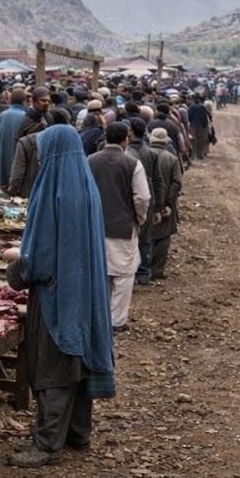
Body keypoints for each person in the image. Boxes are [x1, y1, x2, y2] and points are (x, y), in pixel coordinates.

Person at [2, 125, 114, 468]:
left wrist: (15, 271)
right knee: (79, 357)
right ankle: (78, 432)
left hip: (56, 293)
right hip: (86, 289)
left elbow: (39, 255)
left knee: (53, 363)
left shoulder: (51, 189)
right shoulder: (85, 185)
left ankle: (47, 444)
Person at [88, 123, 150, 330]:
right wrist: (139, 218)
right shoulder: (132, 164)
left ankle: (100, 317)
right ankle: (117, 321)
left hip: (95, 227)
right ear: (125, 140)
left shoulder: (90, 161)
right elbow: (142, 197)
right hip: (123, 227)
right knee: (123, 275)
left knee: (101, 272)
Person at [126, 122, 163, 285]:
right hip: (148, 199)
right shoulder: (150, 153)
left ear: (132, 132)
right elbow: (158, 181)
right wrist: (159, 206)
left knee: (130, 237)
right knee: (145, 239)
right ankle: (143, 273)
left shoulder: (127, 153)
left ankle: (133, 272)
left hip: (129, 200)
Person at [147, 128, 182, 280]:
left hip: (147, 203)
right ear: (166, 141)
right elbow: (177, 182)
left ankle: (144, 268)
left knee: (146, 235)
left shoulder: (144, 156)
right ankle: (157, 270)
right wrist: (168, 203)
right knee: (164, 236)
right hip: (165, 204)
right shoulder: (171, 159)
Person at [0, 87, 28, 189]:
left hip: (2, 162)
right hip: (19, 163)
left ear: (10, 100)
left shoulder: (2, 115)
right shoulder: (26, 117)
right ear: (24, 101)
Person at [187, 95, 212, 160]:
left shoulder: (191, 107)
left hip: (193, 125)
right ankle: (200, 155)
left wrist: (190, 123)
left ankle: (193, 155)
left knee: (193, 140)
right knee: (201, 141)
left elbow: (188, 116)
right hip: (201, 126)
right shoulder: (202, 107)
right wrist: (205, 125)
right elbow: (206, 116)